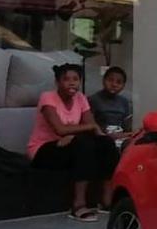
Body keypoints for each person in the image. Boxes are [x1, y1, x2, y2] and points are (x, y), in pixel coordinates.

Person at [28, 63, 121, 220]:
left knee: (106, 143)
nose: (72, 83)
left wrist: (94, 133)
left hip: (69, 146)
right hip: (44, 149)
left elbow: (91, 126)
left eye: (76, 79)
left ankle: (107, 200)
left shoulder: (81, 98)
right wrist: (81, 131)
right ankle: (78, 205)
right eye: (66, 79)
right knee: (83, 144)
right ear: (58, 82)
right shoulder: (48, 98)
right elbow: (60, 130)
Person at [88, 65, 134, 143]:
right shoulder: (93, 99)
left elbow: (127, 126)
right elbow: (90, 125)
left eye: (119, 82)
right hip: (101, 138)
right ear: (103, 80)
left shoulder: (124, 102)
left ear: (123, 86)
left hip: (121, 137)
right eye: (110, 80)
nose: (114, 85)